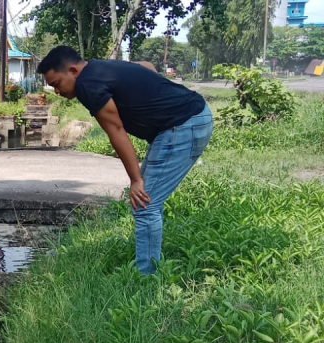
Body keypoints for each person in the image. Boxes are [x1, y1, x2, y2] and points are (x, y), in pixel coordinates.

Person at [37, 46, 214, 275]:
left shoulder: (86, 85)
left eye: (56, 84)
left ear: (72, 71)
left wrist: (136, 180)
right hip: (191, 118)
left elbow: (116, 130)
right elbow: (145, 67)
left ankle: (147, 279)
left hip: (182, 126)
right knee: (148, 202)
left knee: (144, 204)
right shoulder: (100, 67)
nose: (56, 91)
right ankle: (150, 264)